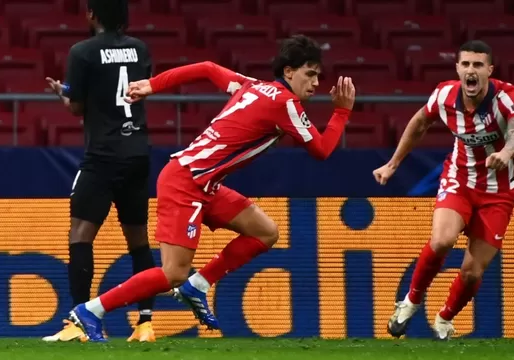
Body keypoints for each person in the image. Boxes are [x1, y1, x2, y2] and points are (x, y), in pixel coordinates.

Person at [66, 34, 356, 342]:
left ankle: (198, 286)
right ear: (288, 72)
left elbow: (206, 68)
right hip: (187, 182)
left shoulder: (251, 85)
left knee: (265, 232)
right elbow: (322, 150)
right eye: (309, 74)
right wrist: (342, 111)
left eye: (318, 76)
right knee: (173, 272)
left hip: (203, 183)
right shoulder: (285, 103)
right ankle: (90, 311)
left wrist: (153, 84)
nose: (315, 82)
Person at [373, 40, 514, 340]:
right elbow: (419, 122)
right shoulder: (444, 94)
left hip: (499, 191)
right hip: (459, 178)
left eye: (478, 65)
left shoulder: (509, 97)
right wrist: (393, 164)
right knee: (443, 240)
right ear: (458, 68)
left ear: (490, 70)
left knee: (473, 272)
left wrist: (507, 154)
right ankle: (410, 301)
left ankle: (445, 317)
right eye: (466, 64)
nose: (472, 71)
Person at [42, 0, 157, 343]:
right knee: (138, 239)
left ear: (91, 14)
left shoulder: (82, 51)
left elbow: (77, 106)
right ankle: (146, 324)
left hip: (103, 153)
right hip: (138, 151)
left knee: (80, 234)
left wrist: (62, 95)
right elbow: (128, 90)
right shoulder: (140, 49)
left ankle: (79, 323)